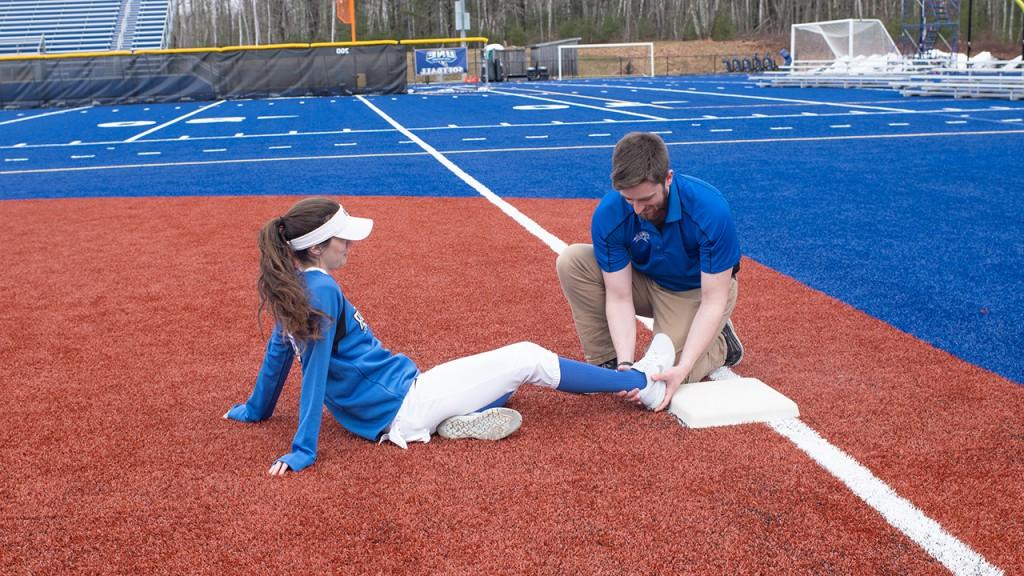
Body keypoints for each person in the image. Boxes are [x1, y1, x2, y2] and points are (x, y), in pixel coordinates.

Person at [224, 197, 678, 475]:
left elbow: (279, 355)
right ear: (317, 247)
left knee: (506, 387)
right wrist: (303, 449)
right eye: (342, 239)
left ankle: (447, 424)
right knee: (527, 357)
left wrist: (255, 410)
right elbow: (315, 371)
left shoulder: (295, 289)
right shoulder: (321, 287)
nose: (350, 245)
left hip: (397, 402)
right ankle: (641, 382)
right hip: (405, 402)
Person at [555, 132, 743, 413]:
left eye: (646, 198)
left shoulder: (710, 210)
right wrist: (624, 364)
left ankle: (723, 346)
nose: (638, 209)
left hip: (695, 292)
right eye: (629, 199)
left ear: (668, 178)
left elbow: (713, 300)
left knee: (661, 382)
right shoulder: (610, 213)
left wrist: (684, 367)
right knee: (572, 261)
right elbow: (619, 297)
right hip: (646, 279)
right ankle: (605, 363)